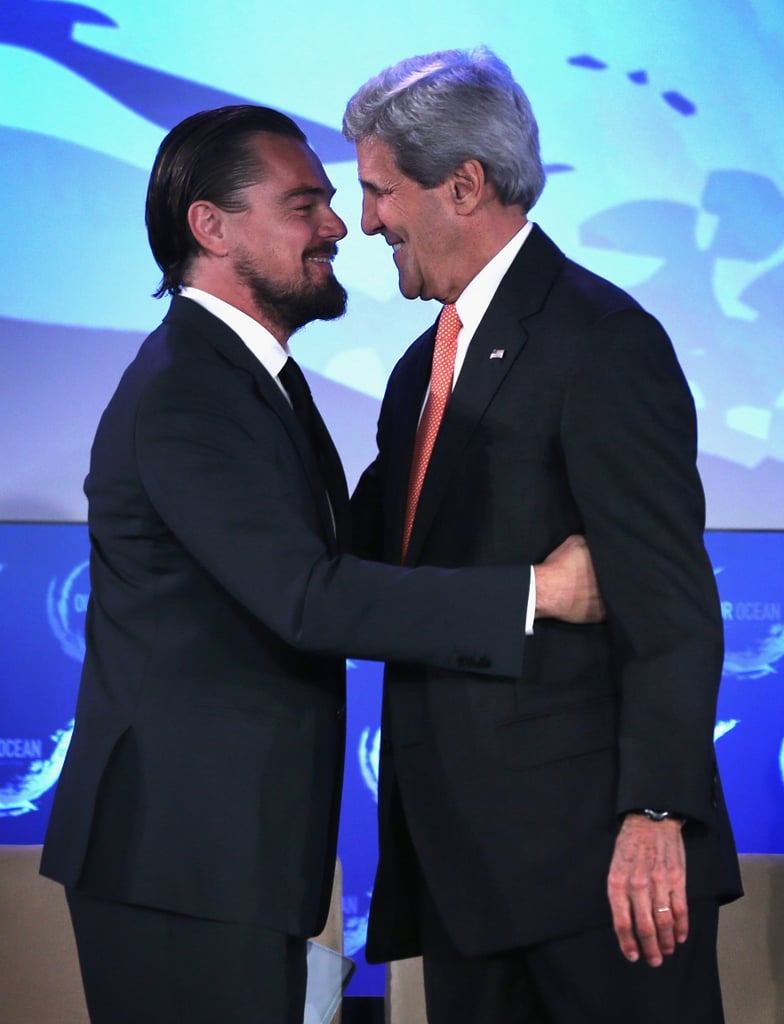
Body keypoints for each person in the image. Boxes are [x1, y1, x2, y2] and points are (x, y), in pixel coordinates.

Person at [39, 104, 602, 1024]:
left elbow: (342, 548)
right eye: (305, 206)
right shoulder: (189, 392)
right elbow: (310, 597)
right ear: (210, 227)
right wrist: (542, 593)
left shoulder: (250, 376)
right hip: (177, 861)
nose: (340, 226)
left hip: (226, 859)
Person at [343, 48, 742, 1024]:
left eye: (380, 190)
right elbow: (366, 564)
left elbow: (672, 606)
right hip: (466, 878)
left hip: (600, 881)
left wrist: (654, 813)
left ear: (464, 185)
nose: (366, 221)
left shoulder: (601, 342)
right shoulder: (415, 371)